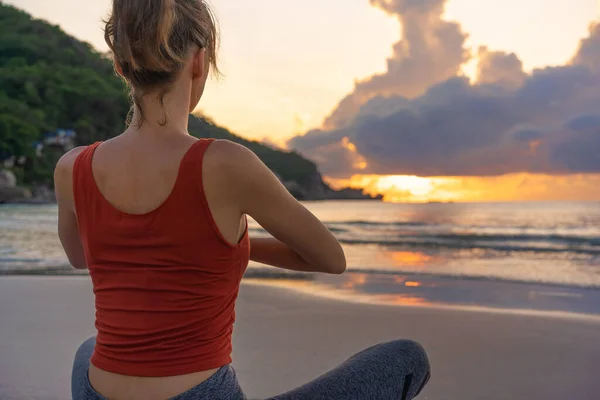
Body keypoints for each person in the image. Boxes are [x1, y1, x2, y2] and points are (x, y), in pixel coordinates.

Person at [53, 0, 431, 399]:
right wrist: (237, 248)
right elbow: (330, 259)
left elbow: (80, 256)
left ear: (119, 64)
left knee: (89, 349)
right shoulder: (225, 164)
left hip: (97, 392)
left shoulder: (71, 167)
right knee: (407, 357)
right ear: (199, 62)